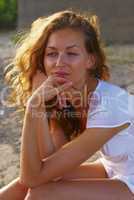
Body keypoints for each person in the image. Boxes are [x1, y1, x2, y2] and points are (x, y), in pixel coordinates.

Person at [0, 10, 134, 200]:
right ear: (42, 61)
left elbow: (34, 177)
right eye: (52, 54)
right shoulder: (66, 96)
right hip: (113, 168)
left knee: (42, 193)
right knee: (26, 185)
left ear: (90, 60)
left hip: (130, 180)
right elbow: (48, 165)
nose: (59, 62)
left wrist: (33, 107)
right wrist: (43, 108)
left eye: (71, 53)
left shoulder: (110, 106)